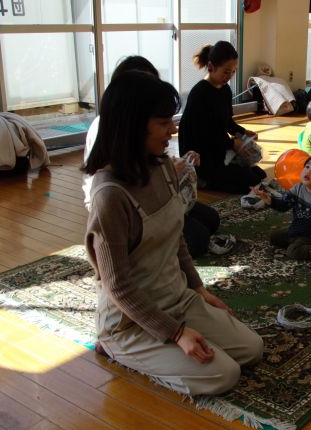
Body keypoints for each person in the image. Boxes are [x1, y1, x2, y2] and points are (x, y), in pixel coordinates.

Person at [84, 71, 263, 396]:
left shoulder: (164, 167)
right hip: (130, 322)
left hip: (178, 299)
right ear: (133, 125)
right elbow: (118, 285)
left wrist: (197, 288)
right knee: (224, 374)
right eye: (163, 122)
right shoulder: (109, 195)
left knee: (252, 349)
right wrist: (177, 333)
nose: (173, 130)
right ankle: (112, 346)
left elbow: (176, 237)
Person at [82, 55, 220, 258]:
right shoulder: (111, 189)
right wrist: (168, 174)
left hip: (151, 196)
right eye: (164, 123)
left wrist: (176, 167)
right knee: (197, 238)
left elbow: (153, 168)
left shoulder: (144, 138)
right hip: (138, 203)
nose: (173, 129)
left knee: (210, 219)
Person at [179, 41, 265, 194]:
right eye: (226, 72)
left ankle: (219, 175)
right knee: (248, 182)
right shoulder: (199, 94)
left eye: (233, 72)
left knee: (259, 174)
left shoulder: (225, 90)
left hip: (219, 151)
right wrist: (232, 143)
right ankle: (202, 179)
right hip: (202, 158)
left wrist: (243, 132)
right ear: (211, 67)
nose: (229, 76)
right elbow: (202, 136)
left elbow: (227, 122)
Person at [252, 153, 311, 266]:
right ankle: (298, 243)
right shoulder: (297, 188)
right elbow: (284, 205)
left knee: (293, 252)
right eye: (307, 166)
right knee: (274, 237)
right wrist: (270, 200)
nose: (308, 171)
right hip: (295, 230)